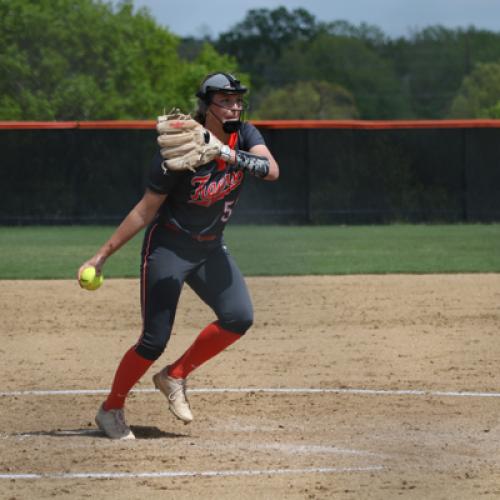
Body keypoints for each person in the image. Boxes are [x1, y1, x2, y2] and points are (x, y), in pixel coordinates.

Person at [78, 72, 279, 440]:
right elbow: (144, 211)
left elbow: (272, 170)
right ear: (207, 106)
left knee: (238, 317)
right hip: (168, 247)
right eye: (225, 100)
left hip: (210, 247)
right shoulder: (179, 149)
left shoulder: (245, 134)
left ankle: (175, 375)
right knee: (153, 340)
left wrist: (228, 154)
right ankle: (111, 409)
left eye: (237, 99)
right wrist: (101, 256)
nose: (235, 105)